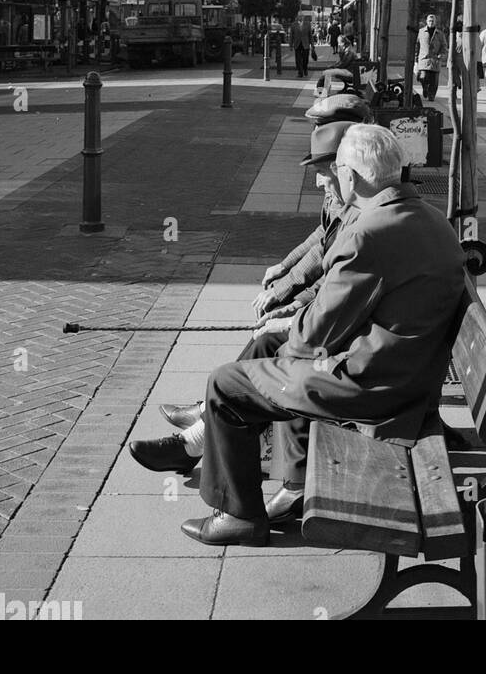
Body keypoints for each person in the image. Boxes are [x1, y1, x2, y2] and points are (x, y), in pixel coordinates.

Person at [176, 124, 466, 545]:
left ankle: (239, 515)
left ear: (353, 176)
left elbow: (313, 338)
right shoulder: (430, 218)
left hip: (374, 386)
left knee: (227, 384)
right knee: (268, 350)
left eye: (338, 170)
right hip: (408, 369)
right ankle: (295, 482)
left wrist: (289, 339)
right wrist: (285, 342)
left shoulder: (371, 232)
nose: (333, 178)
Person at [132, 95, 375, 507]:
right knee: (266, 346)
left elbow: (340, 287)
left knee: (274, 351)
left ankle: (219, 449)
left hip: (363, 357)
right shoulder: (359, 200)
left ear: (347, 161)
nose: (320, 181)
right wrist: (285, 288)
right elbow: (326, 255)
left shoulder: (367, 215)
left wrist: (291, 314)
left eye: (326, 169)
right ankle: (208, 430)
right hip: (357, 339)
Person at [415, 13, 446, 103]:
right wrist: (416, 59)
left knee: (434, 81)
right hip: (424, 60)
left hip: (435, 60)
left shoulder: (440, 34)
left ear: (435, 22)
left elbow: (444, 46)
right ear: (426, 22)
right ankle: (425, 88)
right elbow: (417, 46)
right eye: (429, 21)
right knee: (423, 77)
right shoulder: (421, 32)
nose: (431, 22)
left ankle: (431, 95)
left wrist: (442, 55)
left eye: (433, 21)